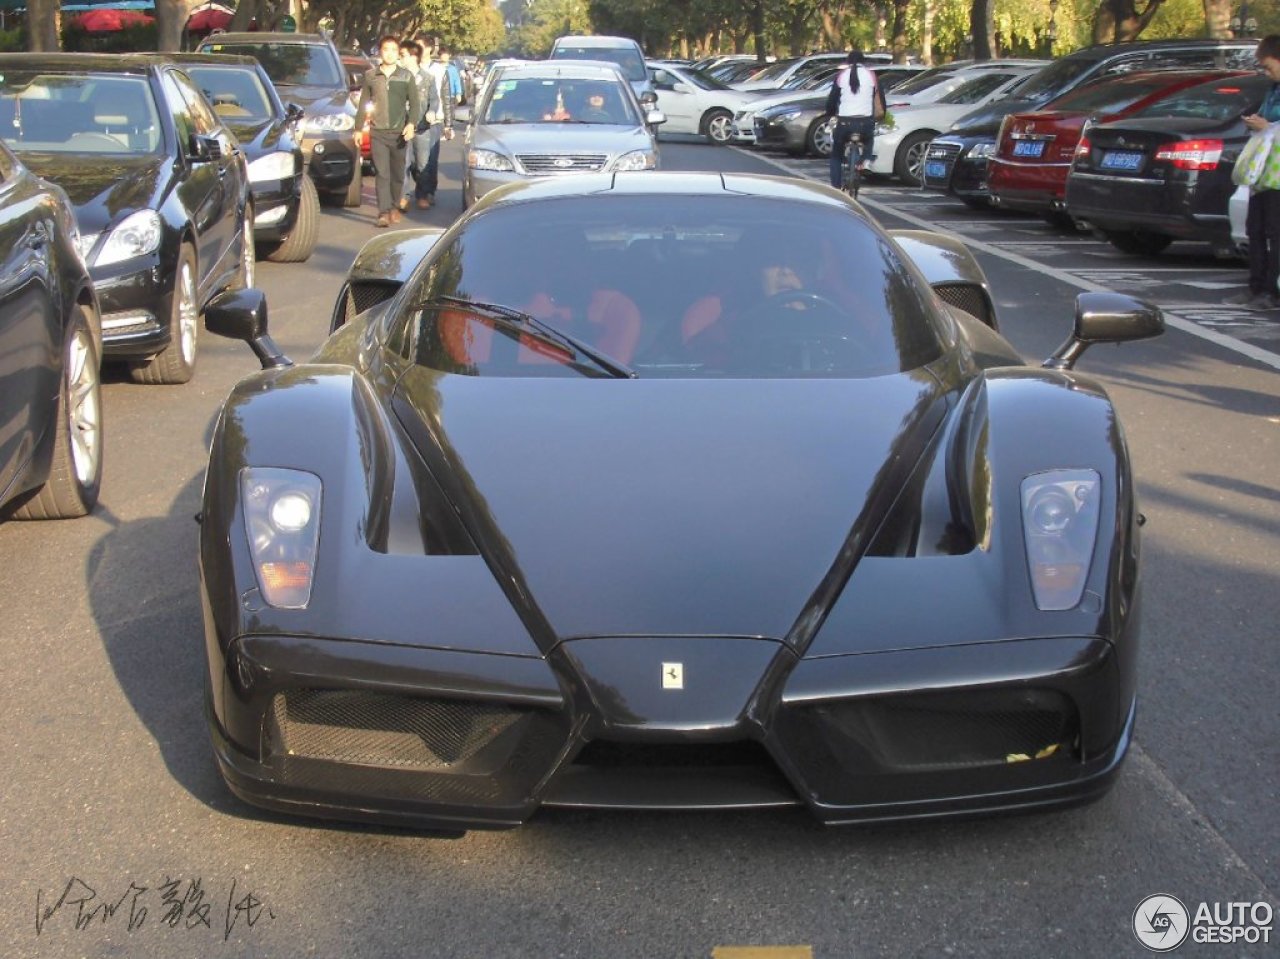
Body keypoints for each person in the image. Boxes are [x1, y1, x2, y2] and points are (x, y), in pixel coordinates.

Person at [1228, 34, 1280, 311]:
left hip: (1278, 175)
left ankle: (1272, 291)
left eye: (1268, 66)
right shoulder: (1272, 90)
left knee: (1275, 232)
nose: (1265, 72)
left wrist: (1268, 128)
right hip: (1264, 172)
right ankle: (1256, 285)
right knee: (1255, 229)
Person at [355, 35, 420, 227]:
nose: (389, 54)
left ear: (398, 53)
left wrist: (411, 124)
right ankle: (383, 212)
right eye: (386, 49)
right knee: (382, 174)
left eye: (393, 50)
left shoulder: (406, 76)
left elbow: (414, 105)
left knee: (398, 174)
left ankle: (393, 207)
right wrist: (358, 128)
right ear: (380, 52)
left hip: (399, 134)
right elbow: (362, 104)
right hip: (378, 132)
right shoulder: (371, 76)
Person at [824, 50, 879, 190]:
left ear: (848, 61)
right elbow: (878, 98)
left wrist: (829, 113)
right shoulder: (871, 75)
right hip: (865, 122)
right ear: (864, 61)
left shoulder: (841, 76)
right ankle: (865, 161)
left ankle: (836, 187)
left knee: (836, 153)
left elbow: (832, 99)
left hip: (844, 122)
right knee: (869, 139)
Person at [418, 39, 455, 208]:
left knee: (430, 160)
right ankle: (419, 189)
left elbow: (446, 97)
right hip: (413, 121)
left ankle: (428, 192)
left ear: (429, 48)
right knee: (414, 161)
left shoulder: (440, 70)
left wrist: (449, 124)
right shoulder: (408, 67)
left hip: (435, 121)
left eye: (421, 45)